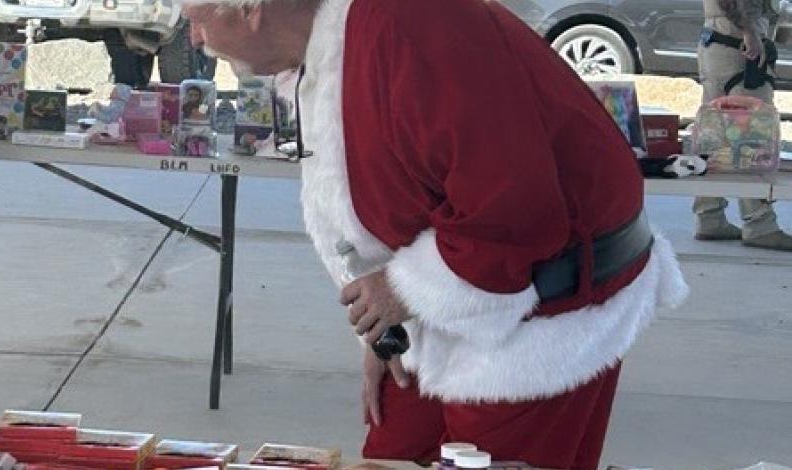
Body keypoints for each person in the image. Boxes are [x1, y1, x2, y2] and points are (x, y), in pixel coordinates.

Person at [181, 0, 689, 468]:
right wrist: (387, 325)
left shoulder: (410, 25)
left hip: (541, 308)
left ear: (250, 8)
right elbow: (411, 189)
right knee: (392, 454)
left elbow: (516, 203)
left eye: (196, 17)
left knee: (495, 458)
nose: (194, 38)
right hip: (449, 295)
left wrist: (402, 290)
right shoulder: (338, 41)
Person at [694, 0, 792, 250]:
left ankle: (710, 216)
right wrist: (749, 30)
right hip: (737, 44)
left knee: (714, 137)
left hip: (718, 42)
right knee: (753, 139)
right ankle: (760, 224)